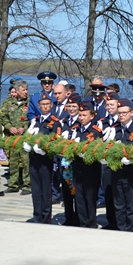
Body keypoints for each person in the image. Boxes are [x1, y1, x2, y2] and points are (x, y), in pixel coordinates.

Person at [108, 99, 133, 232]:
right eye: (119, 113)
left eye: (124, 113)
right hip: (116, 171)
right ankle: (120, 229)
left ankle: (130, 231)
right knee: (118, 204)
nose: (121, 115)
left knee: (131, 205)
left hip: (132, 173)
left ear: (131, 112)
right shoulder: (114, 130)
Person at [25, 93, 60, 223]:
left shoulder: (55, 122)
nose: (45, 106)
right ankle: (37, 216)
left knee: (46, 190)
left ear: (51, 105)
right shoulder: (35, 121)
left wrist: (45, 148)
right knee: (35, 189)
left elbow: (56, 141)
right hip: (34, 160)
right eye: (42, 104)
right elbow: (28, 136)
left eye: (47, 104)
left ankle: (46, 218)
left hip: (46, 161)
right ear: (38, 106)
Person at [72, 103, 103, 228]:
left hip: (91, 168)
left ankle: (91, 222)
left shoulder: (95, 132)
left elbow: (98, 149)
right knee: (79, 196)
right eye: (80, 115)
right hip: (77, 166)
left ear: (91, 116)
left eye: (84, 115)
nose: (81, 118)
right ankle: (82, 222)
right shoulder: (75, 129)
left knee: (90, 196)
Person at [1, 80, 31, 195]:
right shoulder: (8, 103)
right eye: (23, 90)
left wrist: (24, 127)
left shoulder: (29, 102)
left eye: (26, 89)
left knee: (25, 162)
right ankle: (13, 184)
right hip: (12, 137)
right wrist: (9, 127)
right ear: (17, 91)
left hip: (25, 137)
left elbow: (32, 118)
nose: (26, 92)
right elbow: (3, 117)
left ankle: (27, 185)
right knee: (13, 161)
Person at [97, 91, 120, 229]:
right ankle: (111, 221)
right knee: (107, 191)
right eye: (107, 105)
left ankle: (120, 221)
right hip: (105, 163)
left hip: (118, 163)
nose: (109, 107)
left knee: (118, 193)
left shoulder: (121, 121)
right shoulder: (102, 122)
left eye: (112, 104)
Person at [59, 92, 82, 227]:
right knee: (66, 192)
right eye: (69, 106)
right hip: (65, 161)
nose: (72, 109)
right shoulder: (64, 121)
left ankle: (79, 218)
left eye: (74, 106)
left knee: (78, 192)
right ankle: (68, 217)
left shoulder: (82, 121)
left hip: (78, 163)